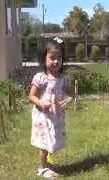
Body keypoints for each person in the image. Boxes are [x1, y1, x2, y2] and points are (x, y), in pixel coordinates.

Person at [28, 40, 74, 179]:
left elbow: (72, 93)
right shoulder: (41, 77)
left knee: (52, 141)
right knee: (44, 144)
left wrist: (70, 99)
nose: (56, 61)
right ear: (44, 59)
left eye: (59, 58)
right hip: (42, 117)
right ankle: (43, 169)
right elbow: (31, 96)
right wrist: (40, 103)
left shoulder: (63, 78)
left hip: (55, 117)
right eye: (52, 58)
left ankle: (46, 164)